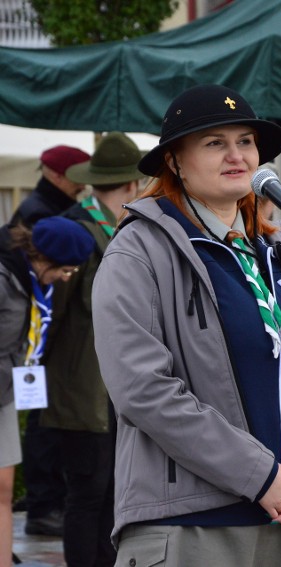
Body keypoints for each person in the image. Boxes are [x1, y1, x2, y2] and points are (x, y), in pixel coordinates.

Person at [90, 84, 281, 566]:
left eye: (245, 141)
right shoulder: (138, 251)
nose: (236, 155)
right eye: (214, 143)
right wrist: (259, 474)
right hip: (186, 527)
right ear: (175, 162)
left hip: (280, 524)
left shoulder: (275, 249)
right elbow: (143, 389)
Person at [38, 132, 145, 567]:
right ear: (130, 186)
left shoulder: (117, 229)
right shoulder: (79, 231)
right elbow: (52, 317)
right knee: (87, 496)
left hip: (113, 392)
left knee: (112, 494)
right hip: (82, 394)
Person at [1, 217, 95, 567]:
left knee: (4, 492)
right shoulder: (5, 279)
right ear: (44, 259)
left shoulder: (32, 283)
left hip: (5, 395)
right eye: (66, 270)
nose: (66, 277)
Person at [11, 144, 90, 536]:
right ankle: (43, 504)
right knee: (43, 422)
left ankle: (43, 502)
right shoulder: (41, 211)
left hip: (43, 339)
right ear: (59, 174)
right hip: (41, 342)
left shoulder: (51, 203)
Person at [9, 145, 90, 227]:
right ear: (57, 176)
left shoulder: (52, 206)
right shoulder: (38, 214)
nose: (83, 187)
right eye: (78, 180)